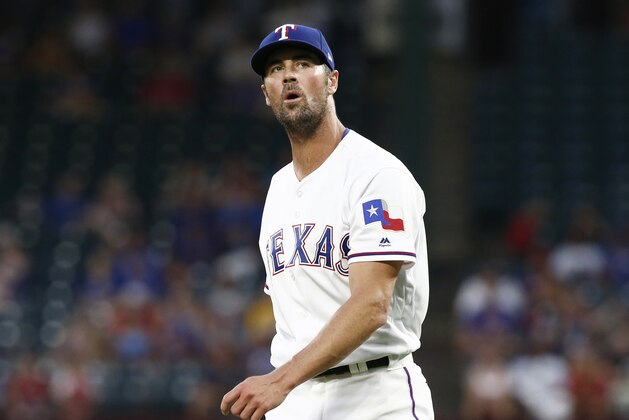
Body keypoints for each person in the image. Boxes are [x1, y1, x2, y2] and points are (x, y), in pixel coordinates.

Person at [220, 24, 434, 420]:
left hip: (376, 394)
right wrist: (284, 382)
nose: (288, 75)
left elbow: (372, 303)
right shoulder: (279, 188)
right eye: (275, 69)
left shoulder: (376, 174)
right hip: (295, 398)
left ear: (332, 80)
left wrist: (280, 380)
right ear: (265, 94)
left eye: (303, 63)